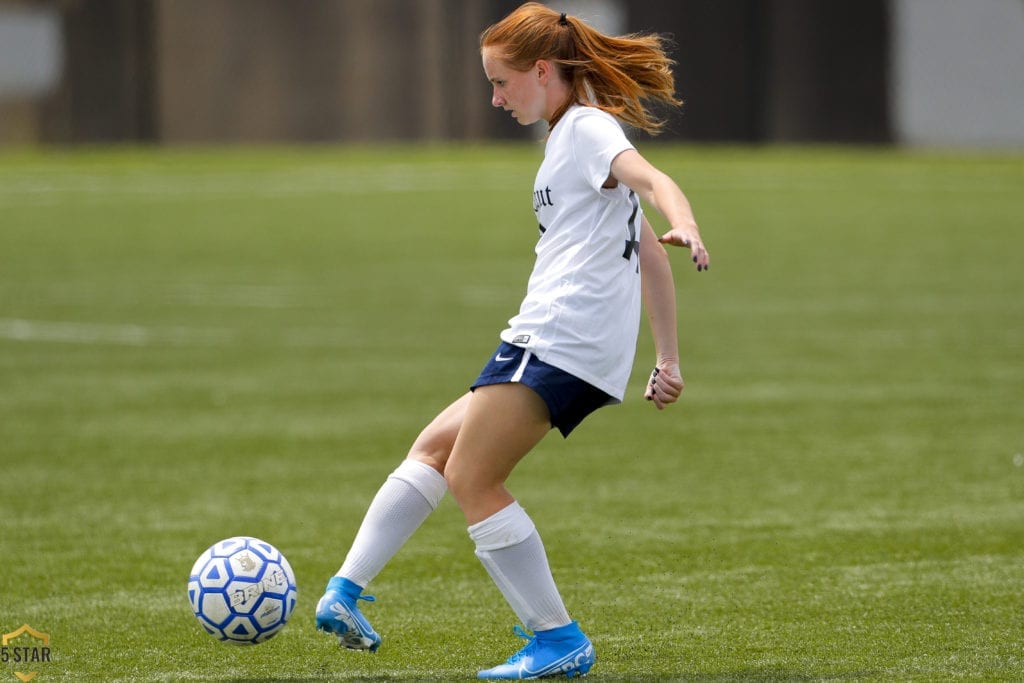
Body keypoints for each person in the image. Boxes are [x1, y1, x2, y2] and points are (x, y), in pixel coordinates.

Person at [315, 2, 710, 679]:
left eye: (501, 82)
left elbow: (654, 181)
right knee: (435, 448)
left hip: (558, 336)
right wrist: (667, 358)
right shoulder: (567, 140)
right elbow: (647, 251)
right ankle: (345, 592)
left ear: (543, 69)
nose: (495, 98)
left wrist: (688, 220)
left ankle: (558, 638)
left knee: (474, 476)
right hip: (559, 339)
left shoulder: (586, 129)